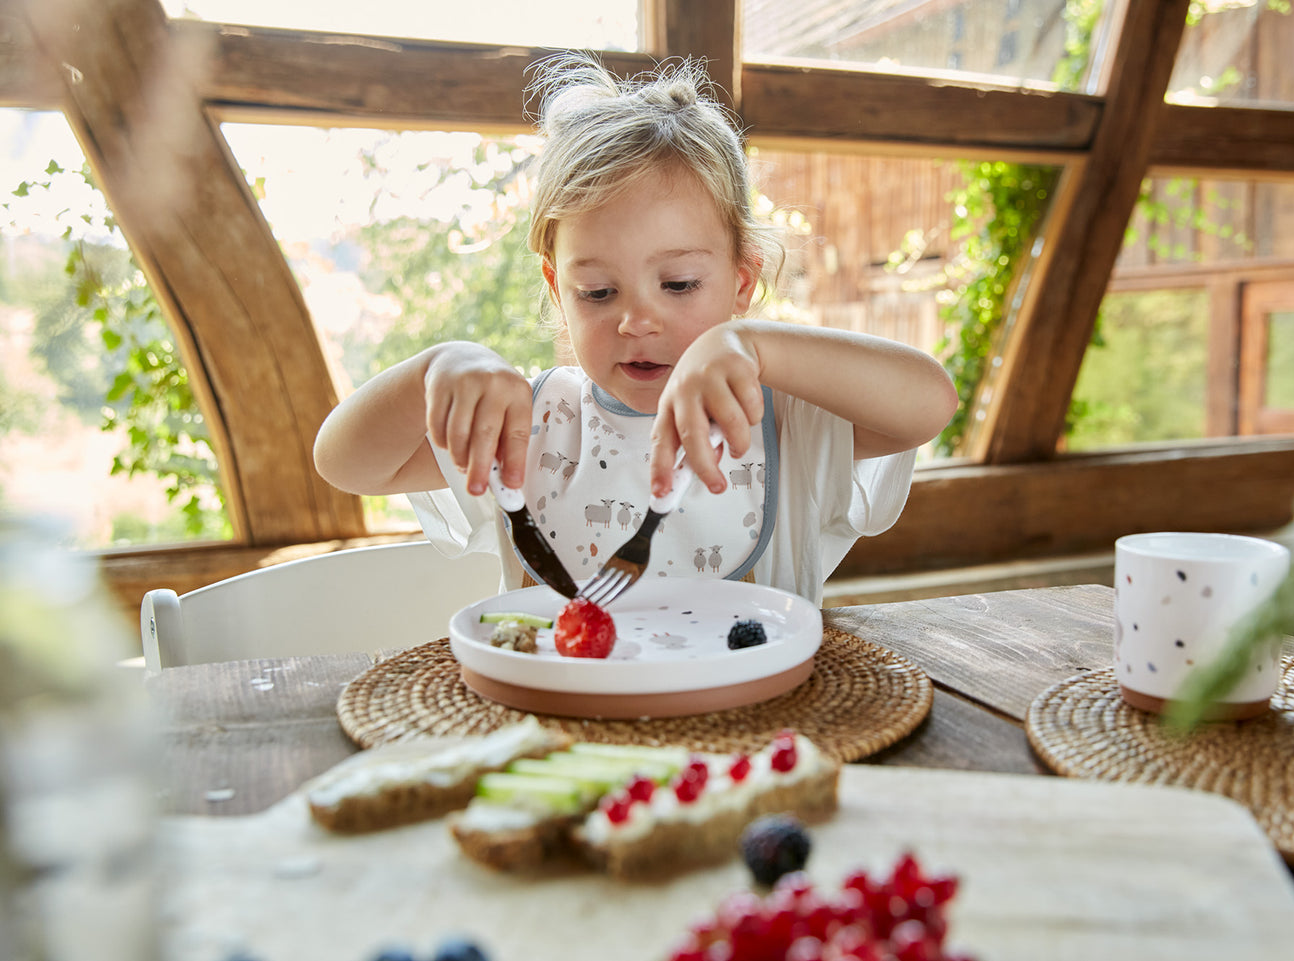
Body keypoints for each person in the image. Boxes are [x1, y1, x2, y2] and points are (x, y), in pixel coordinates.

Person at [313, 55, 958, 605]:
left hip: (750, 715)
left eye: (678, 284)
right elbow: (346, 464)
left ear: (742, 280)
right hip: (562, 713)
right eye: (597, 292)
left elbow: (928, 403)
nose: (637, 321)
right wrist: (433, 371)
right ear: (557, 289)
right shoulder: (528, 427)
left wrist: (756, 347)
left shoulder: (784, 416)